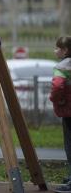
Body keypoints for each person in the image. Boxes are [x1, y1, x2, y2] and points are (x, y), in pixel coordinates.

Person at [49, 36, 71, 193]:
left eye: (57, 48)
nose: (54, 50)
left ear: (65, 51)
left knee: (69, 145)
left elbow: (57, 86)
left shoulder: (62, 67)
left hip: (68, 111)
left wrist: (55, 99)